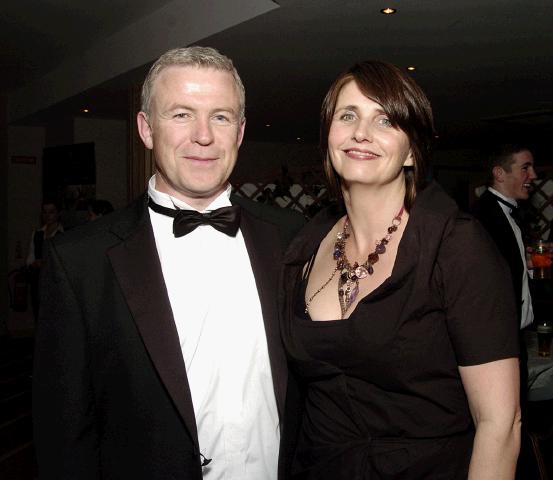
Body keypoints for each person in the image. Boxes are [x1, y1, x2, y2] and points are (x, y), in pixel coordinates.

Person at [33, 46, 303, 480]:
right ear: (146, 128)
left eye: (221, 116)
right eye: (180, 114)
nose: (203, 135)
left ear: (240, 130)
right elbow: (64, 433)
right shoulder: (80, 261)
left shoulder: (293, 238)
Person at [280, 61, 521, 479]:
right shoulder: (304, 245)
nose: (361, 132)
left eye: (385, 120)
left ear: (412, 151)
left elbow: (500, 425)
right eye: (348, 115)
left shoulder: (456, 246)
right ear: (329, 137)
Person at [473, 144, 536, 331]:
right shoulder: (482, 217)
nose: (533, 175)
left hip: (514, 333)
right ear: (499, 174)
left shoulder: (512, 213)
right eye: (525, 168)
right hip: (497, 333)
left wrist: (526, 262)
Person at [26, 200, 64, 319]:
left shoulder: (63, 234)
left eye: (51, 212)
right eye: (45, 212)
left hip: (57, 282)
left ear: (58, 213)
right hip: (39, 281)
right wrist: (34, 264)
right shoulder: (37, 234)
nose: (48, 215)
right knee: (39, 314)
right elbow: (30, 258)